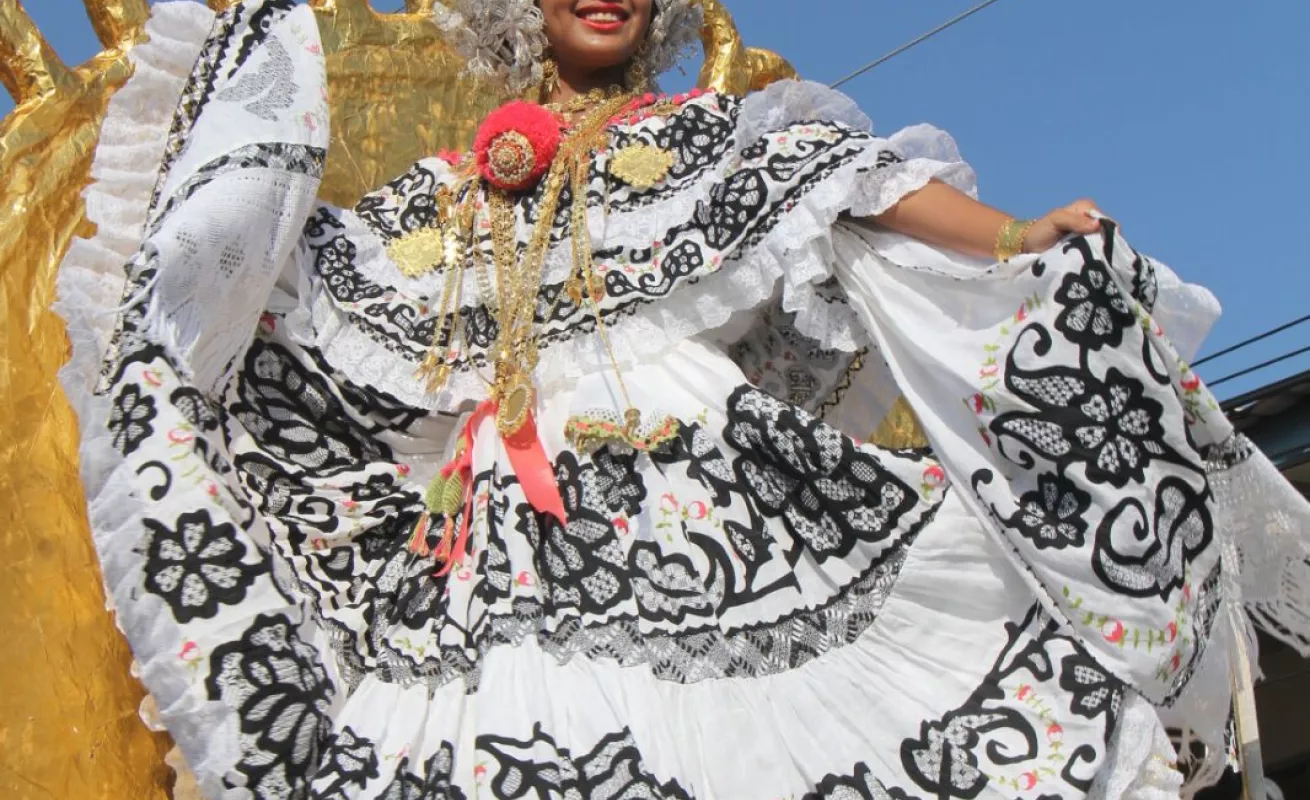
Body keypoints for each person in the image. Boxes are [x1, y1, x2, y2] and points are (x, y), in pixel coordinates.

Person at [54, 0, 1310, 798]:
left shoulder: (706, 142)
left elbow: (848, 183)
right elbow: (287, 274)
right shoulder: (445, 200)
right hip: (506, 545)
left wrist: (1015, 235)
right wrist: (226, 128)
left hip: (707, 501)